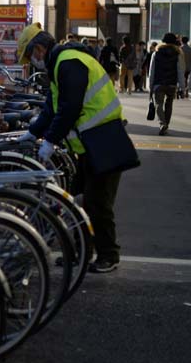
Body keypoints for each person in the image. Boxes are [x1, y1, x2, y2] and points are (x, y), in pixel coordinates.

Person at [15, 22, 126, 273]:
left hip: (105, 139)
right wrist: (32, 133)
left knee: (98, 202)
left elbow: (69, 108)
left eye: (31, 56)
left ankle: (108, 255)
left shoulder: (69, 63)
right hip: (93, 142)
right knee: (77, 200)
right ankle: (80, 253)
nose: (32, 63)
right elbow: (52, 108)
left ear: (41, 49)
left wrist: (50, 142)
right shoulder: (60, 65)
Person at [148, 32, 185, 136]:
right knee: (169, 104)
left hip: (158, 83)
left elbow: (152, 71)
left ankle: (162, 123)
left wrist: (150, 86)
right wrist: (182, 87)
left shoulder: (156, 53)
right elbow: (180, 71)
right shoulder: (177, 54)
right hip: (171, 84)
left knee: (158, 104)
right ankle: (166, 124)